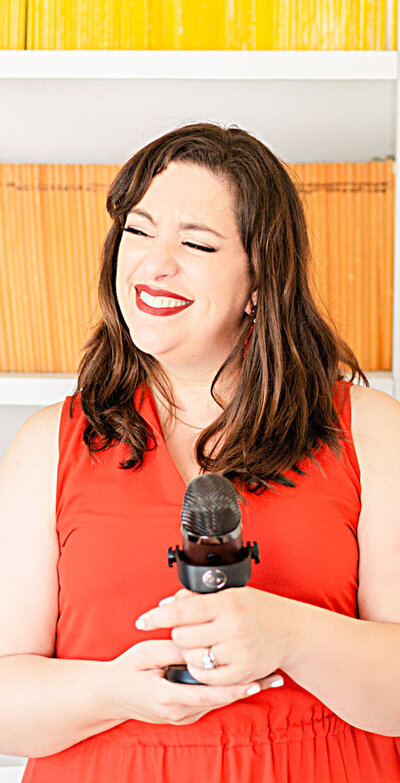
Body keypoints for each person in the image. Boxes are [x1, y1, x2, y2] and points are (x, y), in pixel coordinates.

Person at [0, 121, 399, 783]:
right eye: (138, 230)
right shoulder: (49, 443)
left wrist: (291, 635)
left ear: (260, 282)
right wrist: (115, 692)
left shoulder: (373, 432)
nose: (153, 265)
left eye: (197, 243)